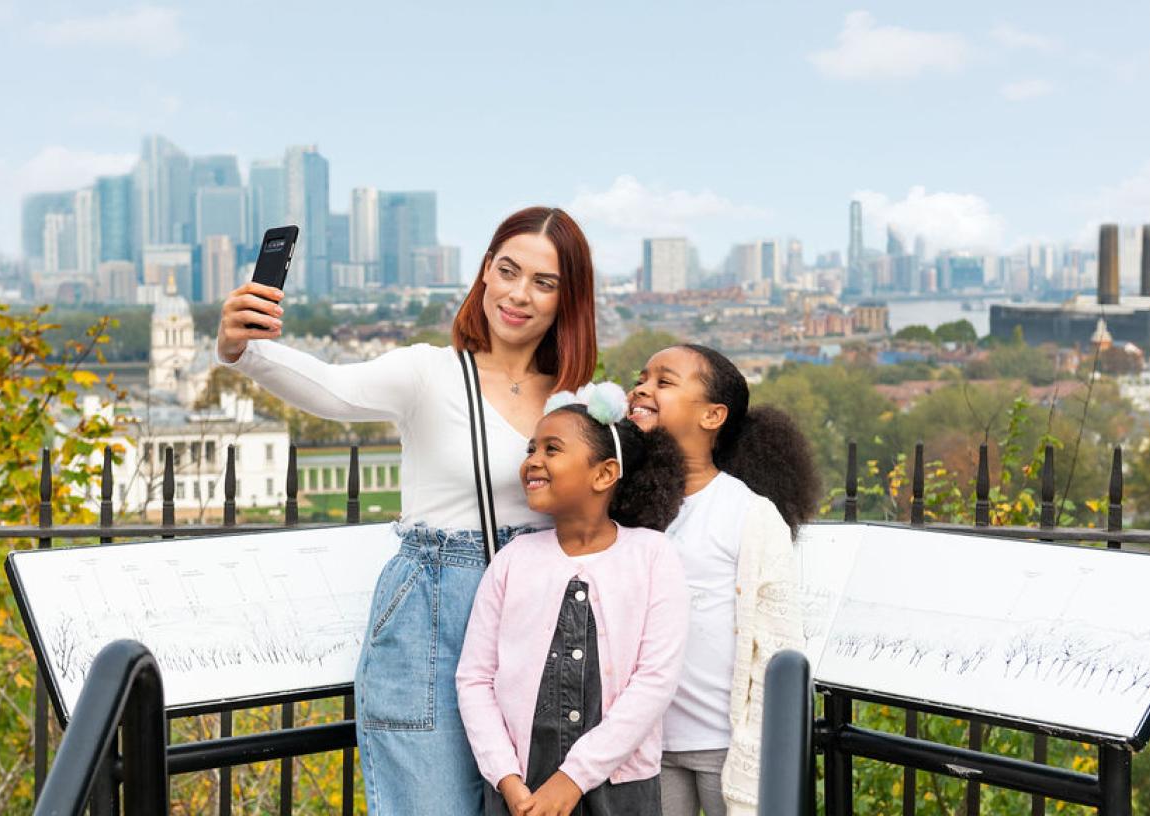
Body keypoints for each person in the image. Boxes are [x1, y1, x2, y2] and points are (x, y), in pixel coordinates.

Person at [216, 207, 599, 815]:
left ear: (567, 298)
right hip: (431, 615)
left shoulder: (578, 399)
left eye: (544, 282)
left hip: (539, 622)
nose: (518, 295)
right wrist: (244, 349)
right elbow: (331, 389)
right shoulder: (429, 372)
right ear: (483, 274)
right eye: (507, 271)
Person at [457, 382, 690, 816]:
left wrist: (572, 778)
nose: (533, 461)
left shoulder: (652, 556)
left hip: (619, 787)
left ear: (603, 473)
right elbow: (474, 679)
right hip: (519, 790)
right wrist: (507, 779)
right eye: (532, 448)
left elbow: (654, 681)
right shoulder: (513, 560)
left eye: (552, 449)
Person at [627, 344, 818, 816]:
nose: (642, 389)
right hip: (645, 742)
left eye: (664, 382)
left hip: (723, 745)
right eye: (642, 377)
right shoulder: (623, 504)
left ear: (713, 415)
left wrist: (764, 741)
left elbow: (778, 647)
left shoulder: (748, 514)